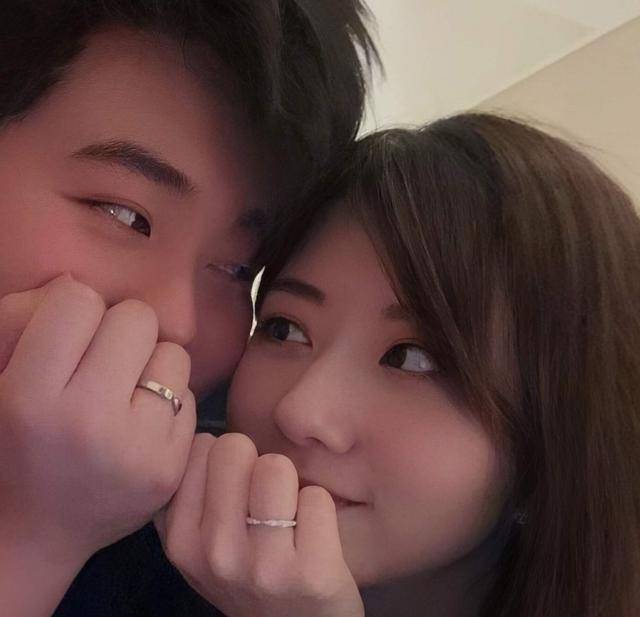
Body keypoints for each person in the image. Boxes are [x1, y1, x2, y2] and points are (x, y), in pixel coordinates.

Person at [159, 113, 640, 617]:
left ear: (558, 429)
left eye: (412, 358)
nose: (300, 412)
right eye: (285, 329)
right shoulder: (142, 551)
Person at [0, 1, 379, 615]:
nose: (179, 322)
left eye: (237, 270)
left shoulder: (201, 544)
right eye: (124, 215)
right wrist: (34, 536)